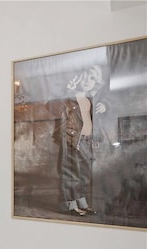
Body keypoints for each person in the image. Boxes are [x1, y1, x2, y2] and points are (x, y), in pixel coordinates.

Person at [55, 64, 106, 216]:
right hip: (72, 140)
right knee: (70, 174)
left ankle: (81, 202)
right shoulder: (70, 97)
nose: (88, 81)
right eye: (86, 76)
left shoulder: (90, 98)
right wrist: (66, 91)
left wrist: (104, 105)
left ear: (96, 82)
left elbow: (96, 117)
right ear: (79, 77)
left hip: (87, 141)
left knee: (84, 175)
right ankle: (69, 205)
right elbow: (51, 107)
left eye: (93, 78)